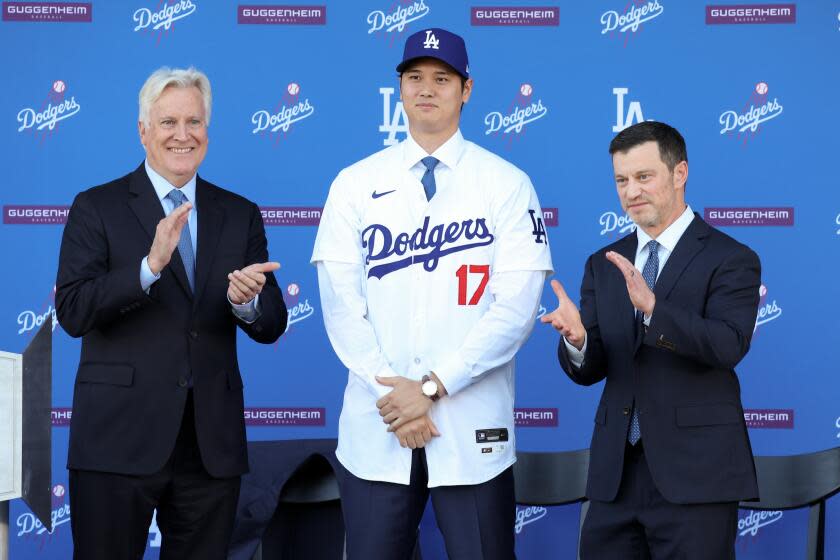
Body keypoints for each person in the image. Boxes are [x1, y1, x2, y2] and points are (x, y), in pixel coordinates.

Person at [311, 27, 553, 559]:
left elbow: (515, 309)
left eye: (441, 78)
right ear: (399, 89)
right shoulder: (353, 183)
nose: (426, 89)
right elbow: (341, 306)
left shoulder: (507, 184)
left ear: (466, 89)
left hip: (473, 426)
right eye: (414, 77)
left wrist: (433, 387)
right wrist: (396, 399)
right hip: (380, 427)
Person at [55, 66, 287, 560]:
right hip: (117, 440)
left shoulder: (239, 212)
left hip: (209, 447)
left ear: (208, 129)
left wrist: (247, 302)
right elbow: (73, 311)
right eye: (168, 123)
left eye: (194, 122)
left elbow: (272, 324)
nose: (182, 135)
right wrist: (148, 267)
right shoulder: (96, 207)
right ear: (143, 131)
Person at [542, 121, 760, 559]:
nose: (631, 191)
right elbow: (593, 368)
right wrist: (579, 340)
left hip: (696, 477)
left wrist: (655, 309)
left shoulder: (731, 258)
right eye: (621, 180)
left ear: (679, 173)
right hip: (615, 478)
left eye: (644, 177)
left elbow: (727, 344)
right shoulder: (604, 263)